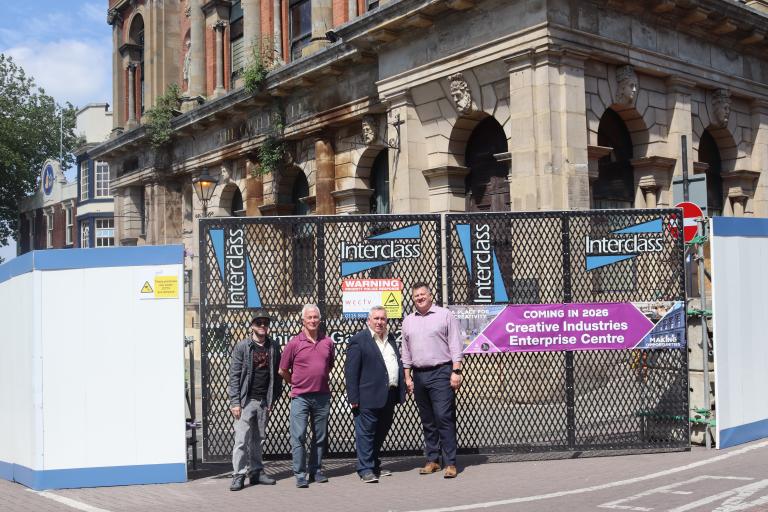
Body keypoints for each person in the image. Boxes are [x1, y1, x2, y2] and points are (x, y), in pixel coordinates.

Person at [401, 282, 463, 479]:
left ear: (430, 295)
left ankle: (450, 462)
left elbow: (455, 344)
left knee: (443, 417)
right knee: (427, 420)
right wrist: (407, 376)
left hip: (441, 372)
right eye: (416, 296)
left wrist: (456, 371)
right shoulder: (408, 320)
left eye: (422, 294)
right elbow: (406, 350)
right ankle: (433, 460)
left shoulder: (445, 315)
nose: (419, 298)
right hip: (419, 375)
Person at [344, 306, 406, 483]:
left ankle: (374, 463)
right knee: (366, 433)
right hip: (367, 396)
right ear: (368, 321)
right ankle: (365, 469)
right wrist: (353, 397)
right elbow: (351, 371)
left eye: (383, 319)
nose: (379, 322)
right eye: (376, 319)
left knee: (381, 431)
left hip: (389, 395)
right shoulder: (359, 340)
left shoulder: (391, 338)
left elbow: (395, 363)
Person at [279, 304, 335, 488]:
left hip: (322, 397)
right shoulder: (294, 343)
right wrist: (294, 383)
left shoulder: (328, 342)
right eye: (309, 317)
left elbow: (329, 366)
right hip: (300, 397)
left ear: (319, 320)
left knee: (320, 437)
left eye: (315, 317)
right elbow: (282, 370)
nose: (312, 321)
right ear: (303, 320)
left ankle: (316, 470)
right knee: (299, 437)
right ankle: (300, 473)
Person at [228, 310, 282, 491]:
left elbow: (277, 376)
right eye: (259, 323)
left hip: (263, 401)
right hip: (245, 400)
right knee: (241, 439)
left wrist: (272, 399)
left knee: (259, 440)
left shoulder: (273, 346)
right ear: (252, 325)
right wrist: (235, 402)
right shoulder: (243, 347)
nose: (262, 326)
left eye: (265, 323)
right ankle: (238, 475)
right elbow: (234, 376)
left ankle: (257, 472)